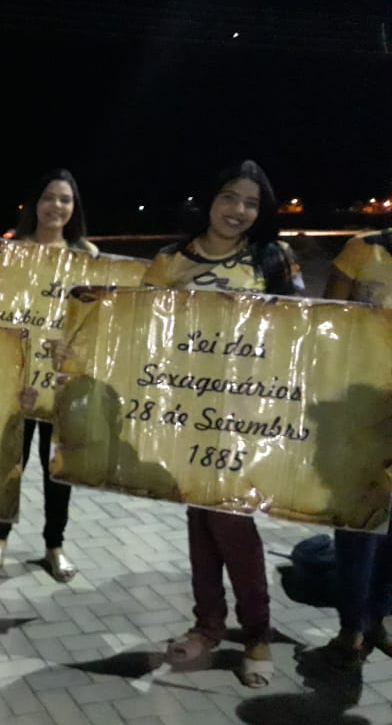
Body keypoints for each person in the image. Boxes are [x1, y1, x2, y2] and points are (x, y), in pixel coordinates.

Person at [142, 159, 304, 689]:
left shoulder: (273, 258)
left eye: (252, 203)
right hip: (187, 411)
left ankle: (256, 633)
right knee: (201, 518)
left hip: (247, 415)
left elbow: (300, 332)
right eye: (230, 197)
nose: (239, 210)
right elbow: (137, 330)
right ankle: (209, 624)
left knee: (232, 522)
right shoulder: (170, 261)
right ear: (210, 199)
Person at [0, 168, 97, 581]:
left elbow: (96, 325)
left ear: (74, 207)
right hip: (19, 380)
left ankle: (54, 545)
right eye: (49, 197)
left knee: (57, 470)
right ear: (35, 203)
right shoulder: (10, 250)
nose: (56, 206)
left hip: (62, 384)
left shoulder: (87, 255)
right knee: (9, 461)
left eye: (65, 199)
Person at [314, 227, 392, 670]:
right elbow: (330, 326)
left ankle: (379, 615)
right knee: (357, 524)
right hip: (358, 408)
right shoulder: (363, 249)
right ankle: (351, 627)